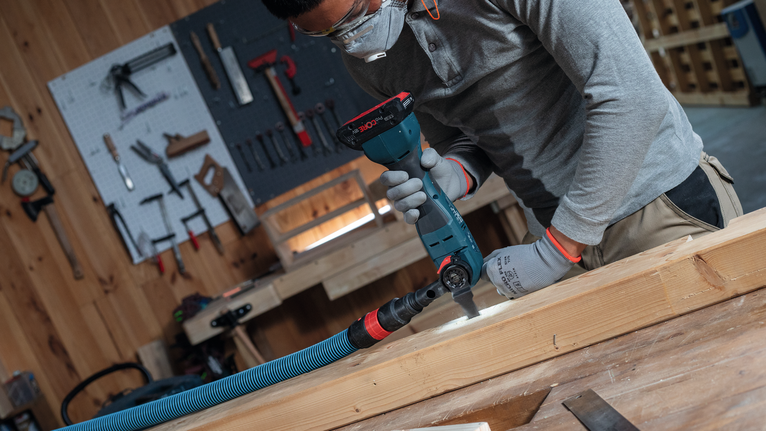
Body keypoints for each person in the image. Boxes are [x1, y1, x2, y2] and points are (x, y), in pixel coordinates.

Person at [262, 0, 743, 299]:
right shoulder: (371, 62)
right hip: (556, 232)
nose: (352, 39)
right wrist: (452, 173)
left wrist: (558, 250)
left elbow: (631, 96)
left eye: (353, 17)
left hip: (655, 207)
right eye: (325, 34)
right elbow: (465, 135)